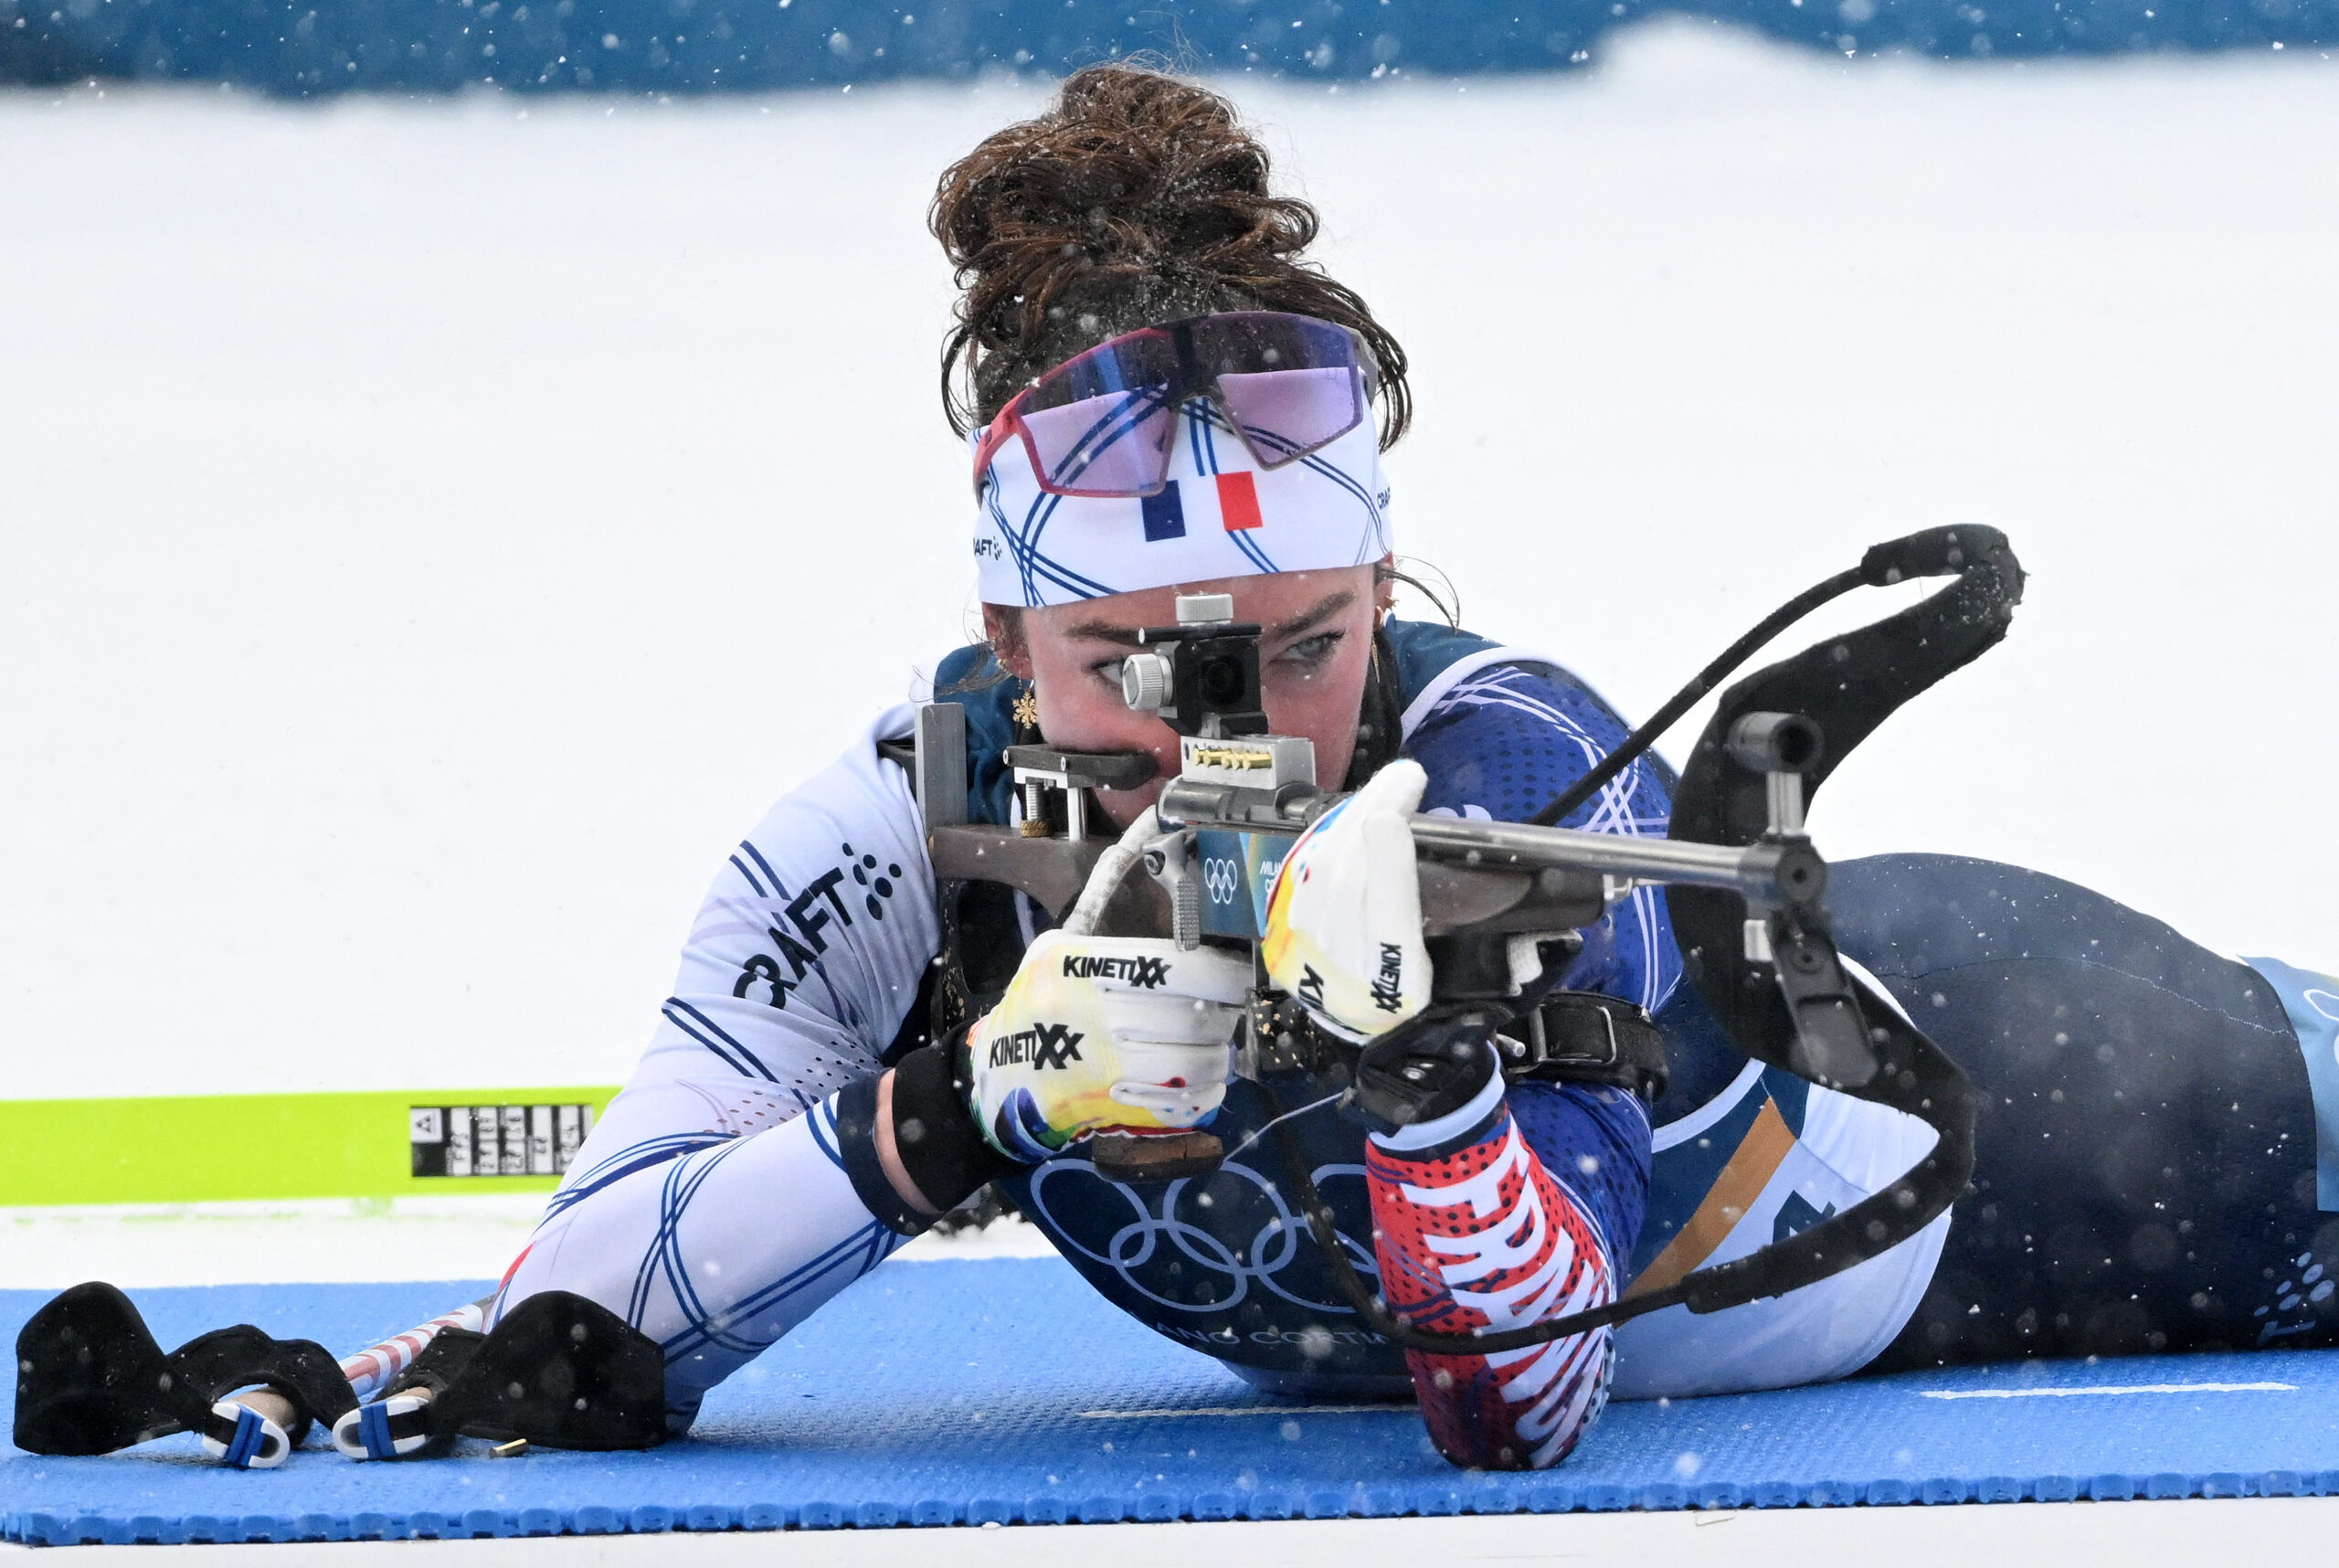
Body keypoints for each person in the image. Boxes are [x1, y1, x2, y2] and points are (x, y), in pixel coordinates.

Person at [35, 61, 2339, 1477]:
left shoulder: (1512, 769)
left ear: (1384, 591)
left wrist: (1425, 1082)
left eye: (1306, 645)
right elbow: (578, 1306)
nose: (1228, 731)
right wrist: (952, 1118)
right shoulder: (905, 833)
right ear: (1004, 645)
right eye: (1134, 666)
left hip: (2102, 1129)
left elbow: (1522, 1409)